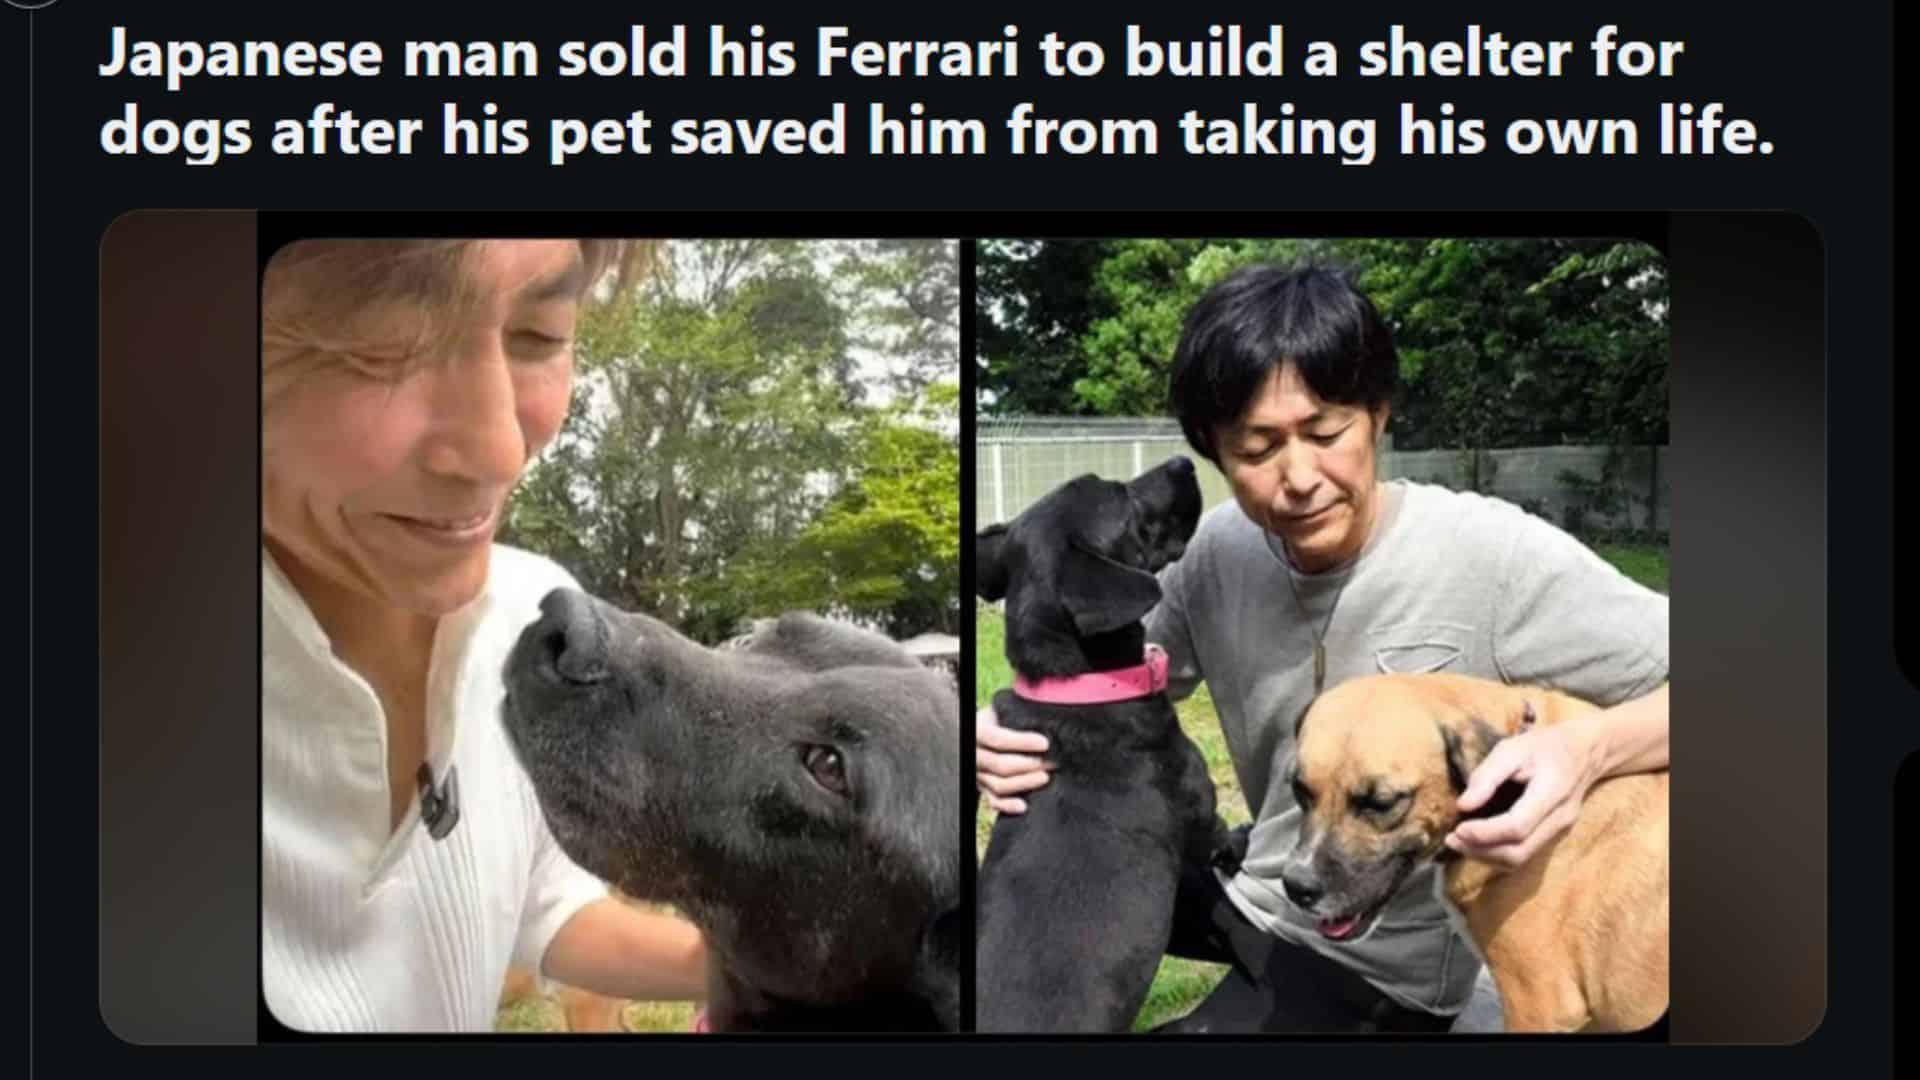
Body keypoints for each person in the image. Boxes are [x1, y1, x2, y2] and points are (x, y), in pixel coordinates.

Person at [975, 263, 1669, 1032]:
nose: (1298, 477)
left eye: (1326, 432)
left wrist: (1591, 749)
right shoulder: (1217, 551)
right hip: (1247, 885)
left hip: (1364, 962)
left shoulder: (1497, 559)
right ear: (1214, 451)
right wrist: (996, 732)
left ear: (1378, 415)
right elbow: (1098, 681)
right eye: (1257, 447)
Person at [261, 238, 708, 1032]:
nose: (502, 451)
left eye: (538, 336)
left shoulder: (535, 615)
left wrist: (761, 967)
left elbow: (543, 906)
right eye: (383, 347)